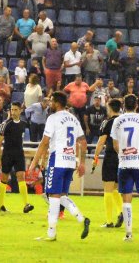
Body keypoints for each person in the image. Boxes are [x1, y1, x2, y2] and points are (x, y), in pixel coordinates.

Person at [30, 91, 90, 241]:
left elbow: (44, 142)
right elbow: (83, 142)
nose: (49, 103)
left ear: (57, 103)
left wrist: (34, 162)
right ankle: (82, 219)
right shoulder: (74, 119)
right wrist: (82, 162)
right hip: (70, 160)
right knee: (62, 195)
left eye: (51, 101)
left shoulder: (53, 118)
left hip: (57, 160)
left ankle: (51, 233)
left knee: (54, 196)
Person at [110, 94, 139, 242]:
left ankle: (128, 234)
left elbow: (115, 145)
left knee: (126, 198)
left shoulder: (117, 120)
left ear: (124, 105)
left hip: (124, 163)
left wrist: (123, 155)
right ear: (137, 105)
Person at [0, 102, 34, 213]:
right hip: (7, 153)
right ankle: (1, 205)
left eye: (16, 109)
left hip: (19, 154)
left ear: (20, 110)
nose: (13, 112)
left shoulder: (23, 124)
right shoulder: (6, 124)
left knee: (21, 176)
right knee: (4, 178)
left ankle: (26, 204)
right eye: (12, 109)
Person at [92, 99, 124, 228]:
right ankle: (121, 211)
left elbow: (101, 142)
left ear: (110, 108)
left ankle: (109, 221)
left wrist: (95, 158)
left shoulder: (108, 122)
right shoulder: (124, 121)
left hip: (111, 156)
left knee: (107, 189)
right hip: (122, 157)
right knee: (115, 188)